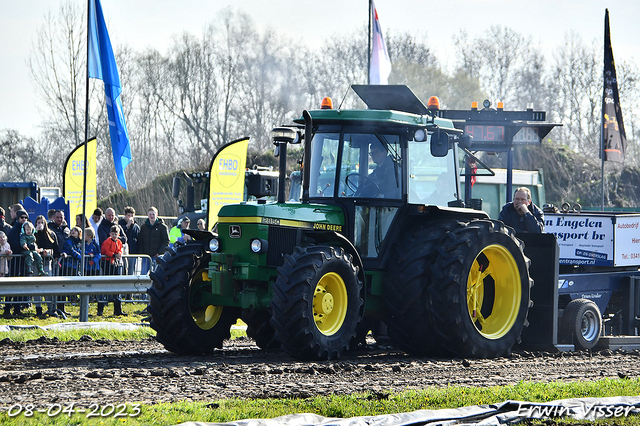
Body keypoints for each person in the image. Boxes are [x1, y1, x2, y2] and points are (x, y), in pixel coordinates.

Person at [100, 225, 124, 316]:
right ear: (110, 234)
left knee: (117, 285)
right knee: (105, 285)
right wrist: (114, 255)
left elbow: (119, 250)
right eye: (113, 234)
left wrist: (119, 254)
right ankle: (100, 309)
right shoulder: (107, 242)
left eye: (116, 234)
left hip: (114, 263)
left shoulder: (119, 241)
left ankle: (118, 310)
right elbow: (105, 251)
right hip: (107, 263)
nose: (114, 235)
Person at [138, 206, 169, 273]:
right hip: (146, 257)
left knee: (157, 274)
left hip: (157, 256)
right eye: (150, 214)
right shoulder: (143, 227)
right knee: (143, 274)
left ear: (156, 215)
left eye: (153, 214)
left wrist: (160, 252)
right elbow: (140, 241)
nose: (152, 216)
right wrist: (142, 253)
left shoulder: (162, 227)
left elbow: (166, 241)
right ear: (147, 215)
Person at [119, 206, 140, 274]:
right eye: (128, 215)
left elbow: (139, 238)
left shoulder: (136, 226)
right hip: (123, 252)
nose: (130, 217)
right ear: (125, 215)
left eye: (132, 215)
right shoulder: (120, 223)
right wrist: (127, 226)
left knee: (131, 270)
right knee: (122, 270)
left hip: (133, 252)